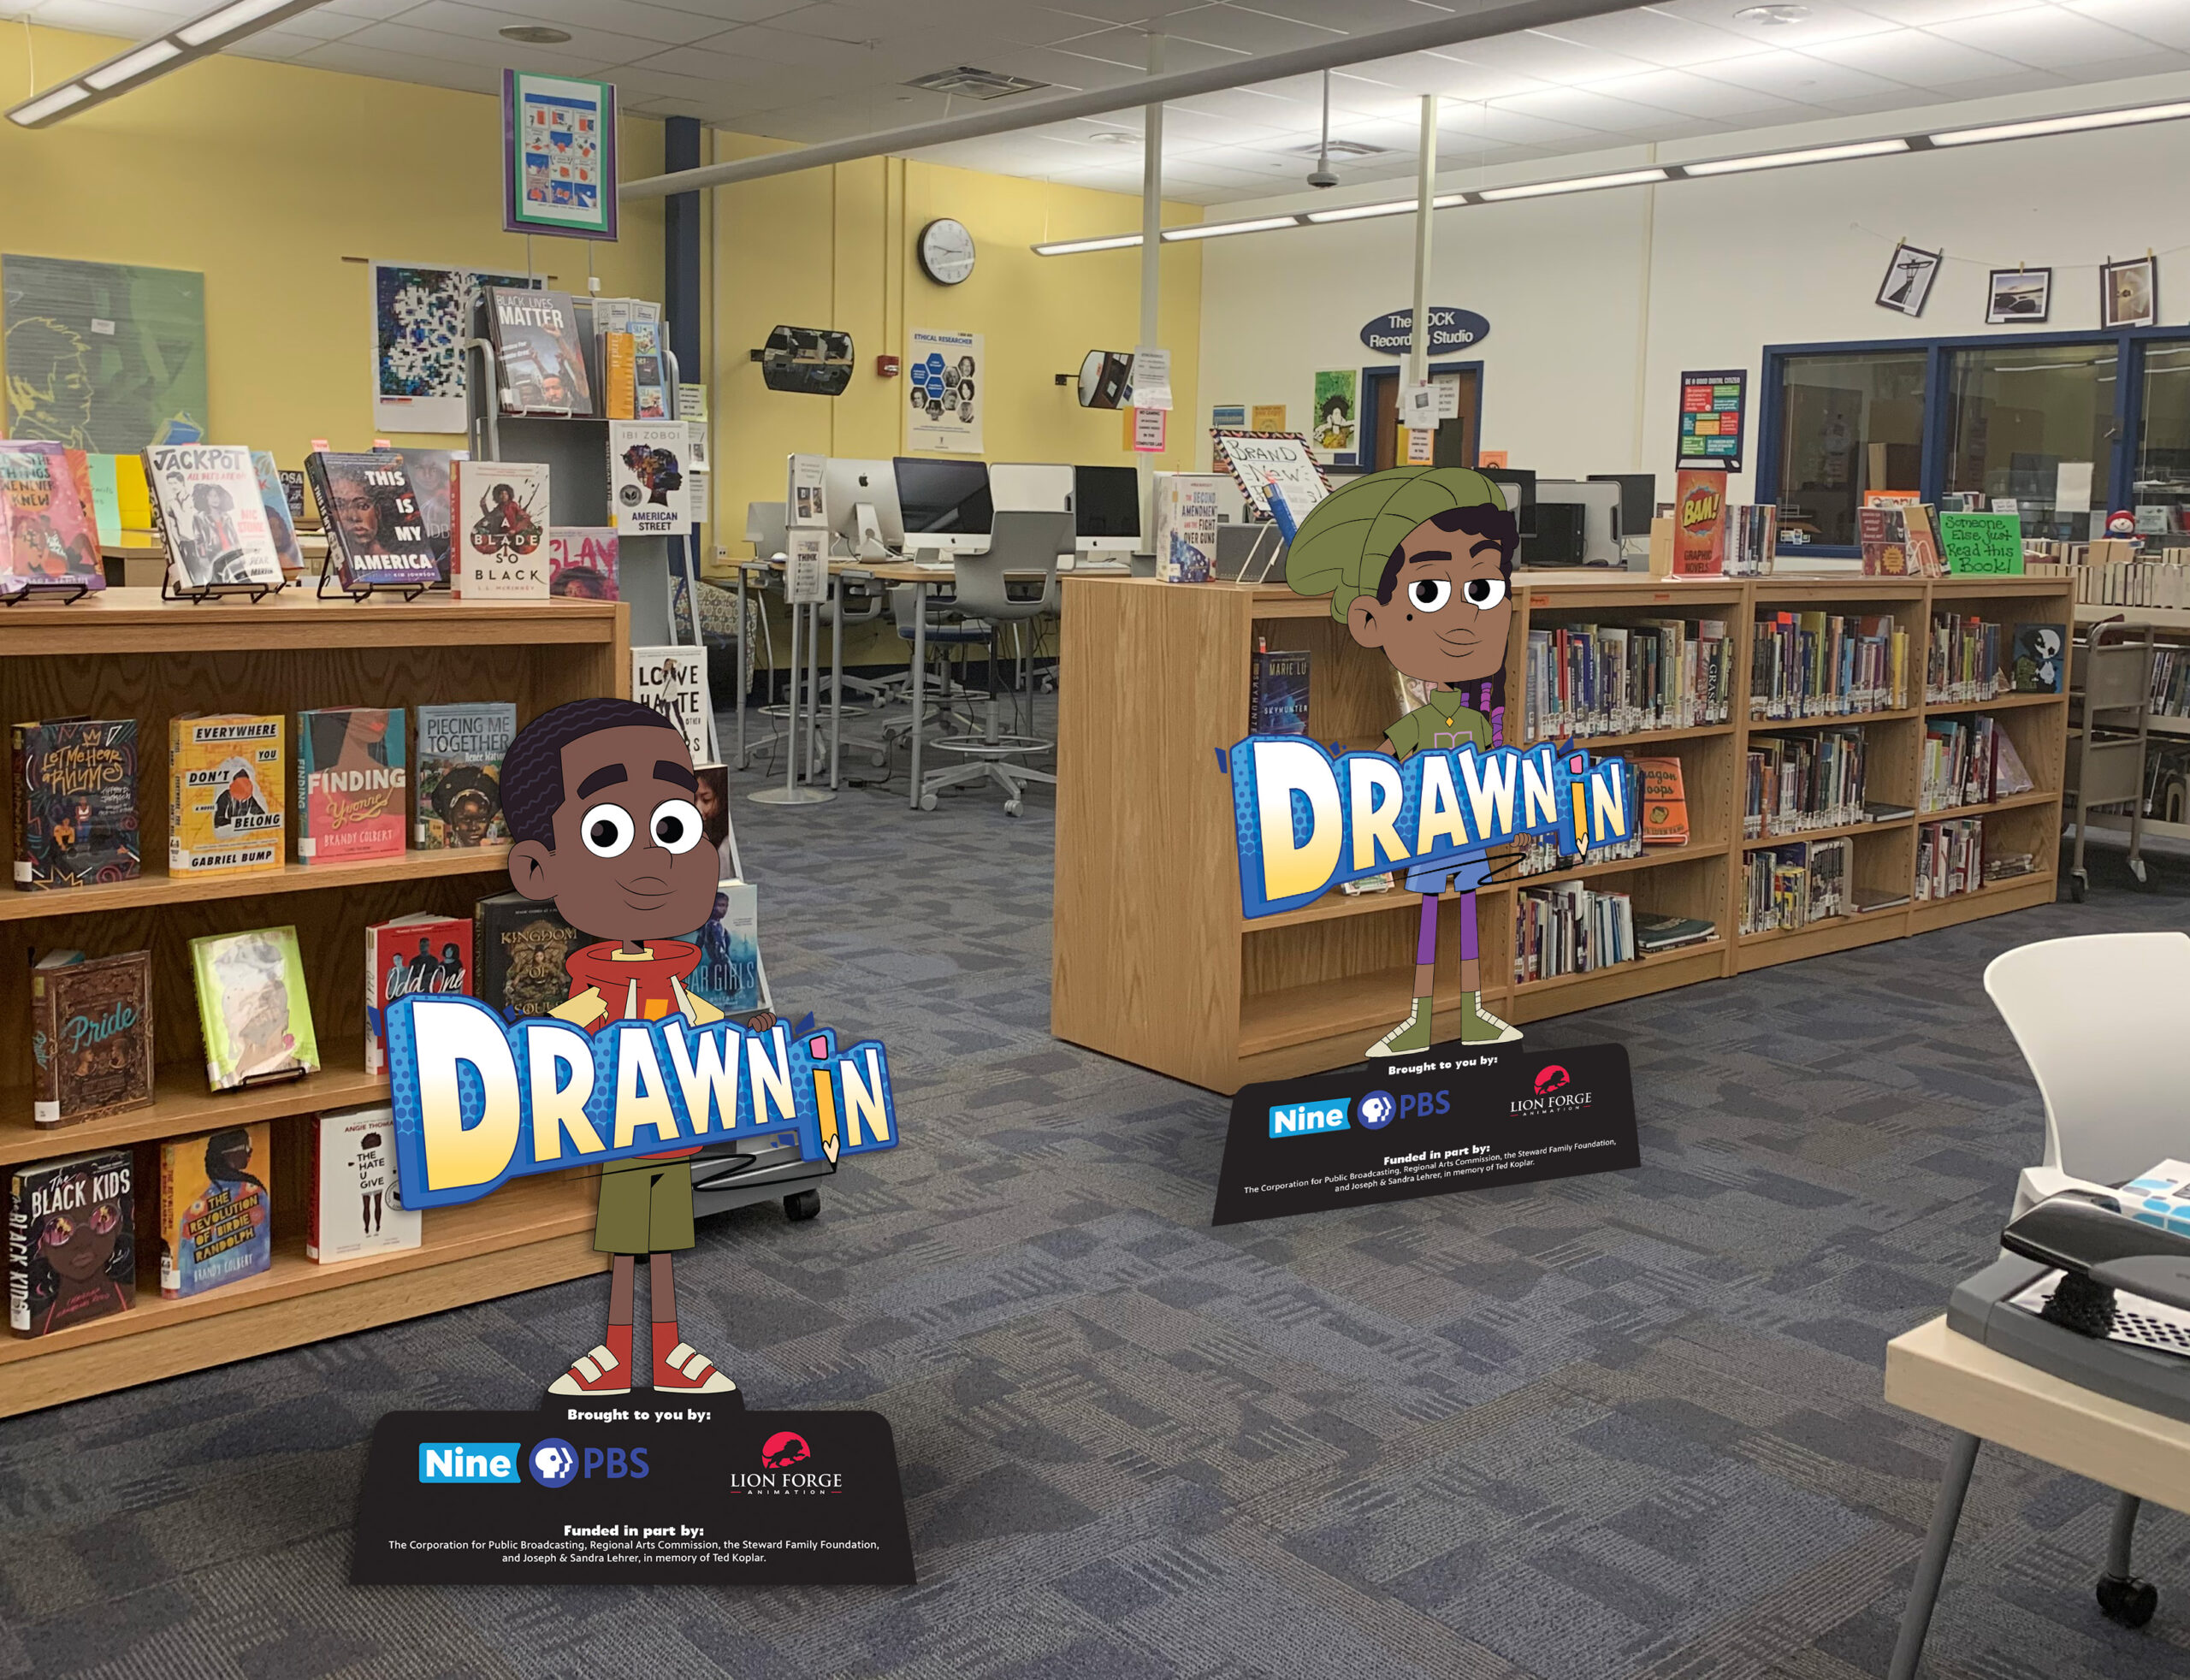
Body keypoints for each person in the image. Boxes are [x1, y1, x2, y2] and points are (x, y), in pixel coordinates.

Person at [502, 697, 761, 1398]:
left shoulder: (679, 976)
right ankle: (618, 1354)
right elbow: (573, 1022)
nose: (654, 853)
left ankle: (670, 1349)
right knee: (623, 1245)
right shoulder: (590, 984)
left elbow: (697, 1013)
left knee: (668, 1246)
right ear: (537, 871)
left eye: (674, 827)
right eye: (610, 829)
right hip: (618, 1125)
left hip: (671, 1129)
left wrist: (741, 1042)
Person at [1283, 466, 1524, 1057]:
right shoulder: (1415, 719)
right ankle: (1418, 1017)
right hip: (1422, 832)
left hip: (1467, 831)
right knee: (1424, 922)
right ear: (1368, 618)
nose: (1465, 617)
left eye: (1484, 590)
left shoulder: (1472, 718)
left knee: (1465, 916)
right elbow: (1381, 759)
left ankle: (1471, 1011)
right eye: (1430, 593)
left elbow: (1495, 762)